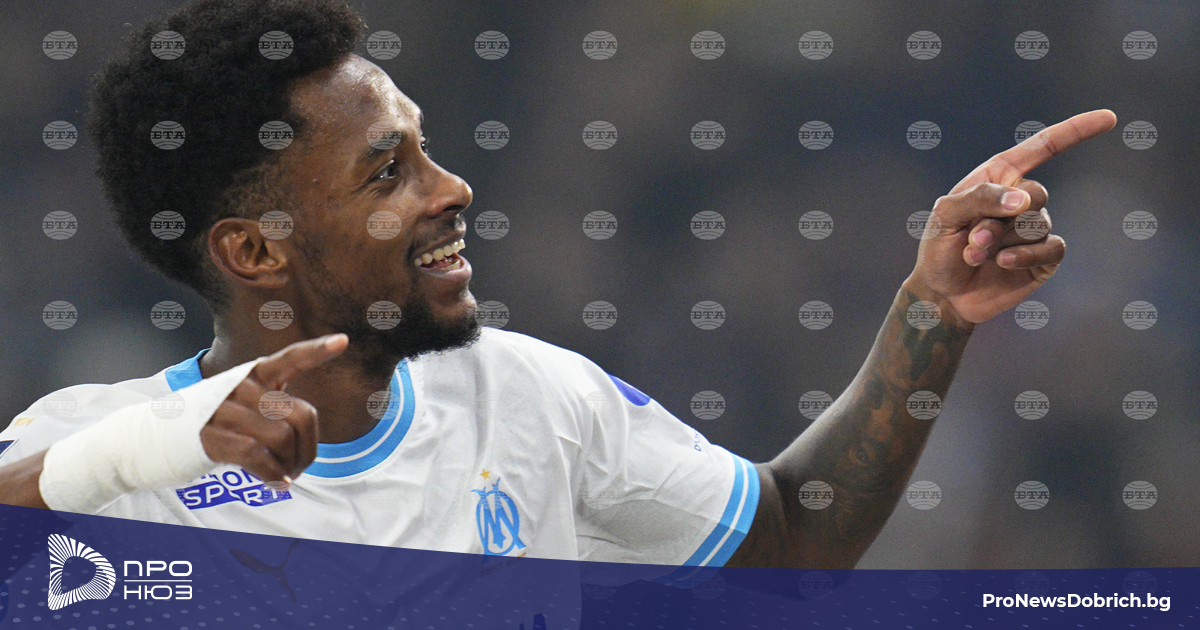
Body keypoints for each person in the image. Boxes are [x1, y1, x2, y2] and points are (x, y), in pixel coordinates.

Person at [0, 0, 1115, 572]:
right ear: (254, 253)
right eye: (387, 172)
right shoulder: (105, 450)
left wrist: (931, 315)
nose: (452, 189)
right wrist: (149, 453)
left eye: (426, 147)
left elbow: (785, 538)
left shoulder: (529, 396)